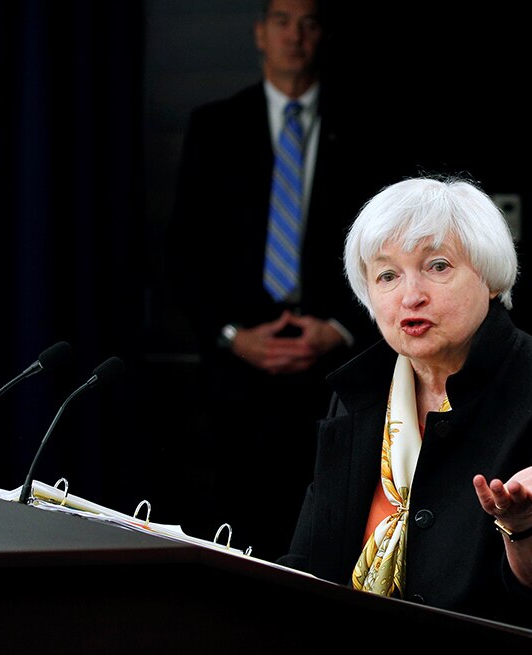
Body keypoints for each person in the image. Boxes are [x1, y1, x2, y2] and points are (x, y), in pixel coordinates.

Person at [279, 177, 532, 655]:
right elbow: (309, 568)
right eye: (386, 274)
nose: (410, 295)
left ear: (491, 279)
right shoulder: (359, 397)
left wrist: (524, 526)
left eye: (438, 266)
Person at [166, 0, 377, 557]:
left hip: (334, 367)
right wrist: (234, 336)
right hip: (238, 366)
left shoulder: (365, 125)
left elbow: (389, 247)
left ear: (323, 34)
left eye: (308, 22)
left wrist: (340, 328)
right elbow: (184, 255)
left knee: (329, 524)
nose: (295, 36)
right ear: (260, 33)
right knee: (241, 520)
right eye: (282, 21)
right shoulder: (214, 125)